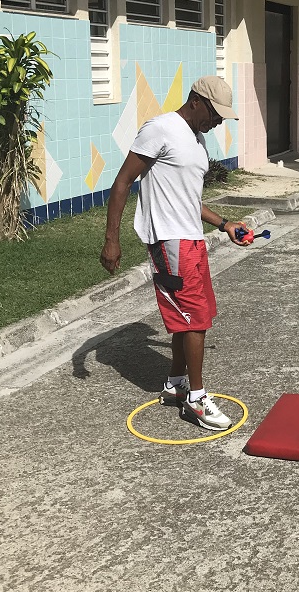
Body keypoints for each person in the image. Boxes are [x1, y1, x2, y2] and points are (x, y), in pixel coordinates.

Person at [100, 76, 249, 430]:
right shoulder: (161, 129)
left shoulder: (196, 141)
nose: (218, 122)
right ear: (196, 101)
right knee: (195, 318)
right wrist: (112, 239)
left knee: (195, 316)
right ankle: (196, 400)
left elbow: (189, 200)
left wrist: (224, 223)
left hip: (191, 238)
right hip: (169, 241)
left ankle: (176, 384)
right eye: (216, 113)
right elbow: (122, 181)